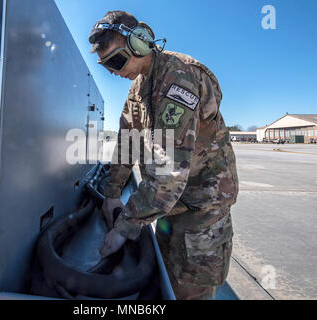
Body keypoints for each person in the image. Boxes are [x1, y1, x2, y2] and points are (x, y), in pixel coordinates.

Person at [89, 10, 239, 300]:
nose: (113, 72)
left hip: (202, 210)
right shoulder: (138, 89)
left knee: (188, 291)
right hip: (169, 205)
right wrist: (111, 191)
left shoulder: (179, 77)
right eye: (107, 66)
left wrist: (126, 226)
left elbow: (169, 170)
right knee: (166, 282)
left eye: (117, 61)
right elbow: (126, 143)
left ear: (141, 42)